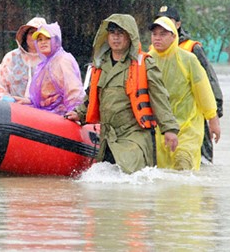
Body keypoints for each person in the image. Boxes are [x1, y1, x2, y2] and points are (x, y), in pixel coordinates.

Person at [65, 14, 179, 174]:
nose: (116, 38)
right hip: (107, 137)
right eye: (112, 33)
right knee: (102, 182)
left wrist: (170, 129)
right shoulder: (100, 65)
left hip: (134, 135)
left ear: (130, 36)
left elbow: (160, 100)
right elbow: (91, 96)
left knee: (131, 178)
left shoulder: (144, 64)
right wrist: (79, 114)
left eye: (121, 33)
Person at [149, 16, 221, 171]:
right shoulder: (148, 60)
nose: (157, 38)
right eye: (154, 34)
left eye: (163, 34)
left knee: (184, 163)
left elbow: (204, 92)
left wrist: (213, 120)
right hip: (160, 128)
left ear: (174, 36)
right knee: (164, 172)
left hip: (188, 127)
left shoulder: (188, 60)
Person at [14, 22, 85, 115]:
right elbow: (45, 95)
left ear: (56, 41)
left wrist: (76, 112)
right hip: (46, 114)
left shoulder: (63, 60)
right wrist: (28, 101)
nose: (43, 42)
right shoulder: (44, 64)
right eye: (39, 39)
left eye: (47, 38)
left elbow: (74, 91)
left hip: (60, 116)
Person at [0, 17, 47, 101]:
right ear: (25, 36)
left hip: (42, 110)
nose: (35, 37)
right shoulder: (12, 57)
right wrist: (6, 99)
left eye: (39, 34)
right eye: (32, 33)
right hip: (15, 108)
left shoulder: (51, 60)